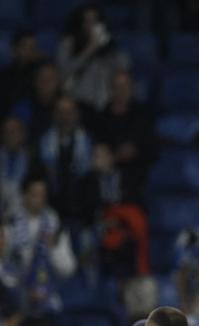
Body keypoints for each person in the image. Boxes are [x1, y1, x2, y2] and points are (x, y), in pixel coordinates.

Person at [3, 174, 77, 319]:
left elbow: (68, 269)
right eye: (34, 194)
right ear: (24, 195)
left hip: (46, 291)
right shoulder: (9, 223)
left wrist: (53, 248)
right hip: (15, 293)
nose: (39, 199)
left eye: (42, 195)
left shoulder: (55, 224)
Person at [56, 3, 130, 113]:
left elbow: (125, 67)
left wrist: (108, 47)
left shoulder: (109, 46)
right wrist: (90, 49)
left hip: (106, 106)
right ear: (80, 24)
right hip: (79, 103)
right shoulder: (67, 44)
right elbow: (64, 73)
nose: (91, 25)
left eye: (95, 21)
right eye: (87, 21)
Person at [94, 70, 156, 196]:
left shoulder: (143, 116)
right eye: (117, 87)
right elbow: (100, 149)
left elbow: (145, 149)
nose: (121, 91)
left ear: (132, 89)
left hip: (135, 182)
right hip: (104, 179)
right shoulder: (101, 118)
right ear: (111, 89)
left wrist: (116, 156)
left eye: (125, 86)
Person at [37, 95, 92, 229]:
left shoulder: (88, 141)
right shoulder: (44, 142)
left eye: (69, 112)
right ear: (54, 115)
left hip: (82, 212)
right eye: (60, 112)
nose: (65, 117)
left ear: (76, 115)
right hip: (51, 211)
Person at [0, 116, 30, 214]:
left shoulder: (32, 160)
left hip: (24, 209)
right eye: (6, 132)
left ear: (22, 134)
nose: (10, 136)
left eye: (13, 132)